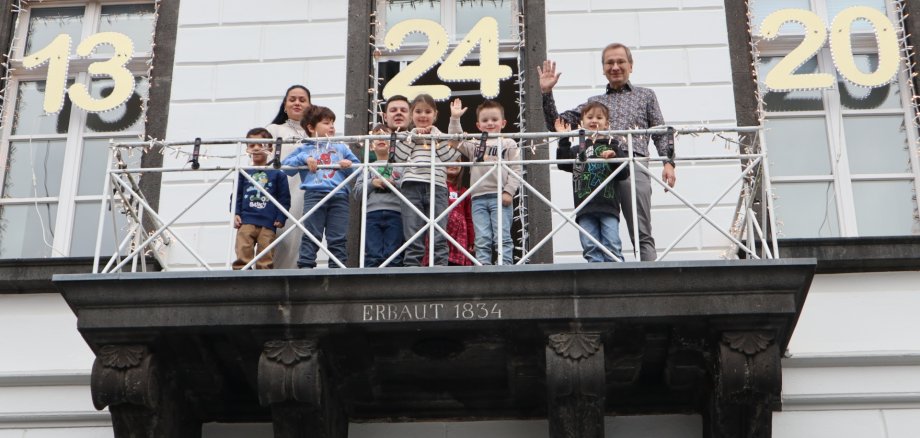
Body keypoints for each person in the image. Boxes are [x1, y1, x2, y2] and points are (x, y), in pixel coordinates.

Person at [539, 43, 676, 261]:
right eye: (609, 62)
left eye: (620, 61)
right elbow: (557, 124)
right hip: (597, 168)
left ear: (630, 65)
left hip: (633, 164)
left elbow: (659, 131)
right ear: (603, 68)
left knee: (641, 231)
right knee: (595, 231)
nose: (615, 66)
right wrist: (547, 92)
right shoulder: (596, 104)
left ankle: (651, 285)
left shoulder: (646, 95)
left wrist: (668, 162)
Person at [281, 106, 359, 268]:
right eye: (326, 123)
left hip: (339, 196)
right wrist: (304, 158)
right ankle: (306, 266)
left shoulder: (341, 147)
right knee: (311, 233)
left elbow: (358, 168)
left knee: (338, 236)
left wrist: (349, 164)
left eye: (332, 123)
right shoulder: (304, 148)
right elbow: (286, 169)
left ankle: (338, 268)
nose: (332, 127)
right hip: (314, 194)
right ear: (311, 127)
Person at [447, 98, 521, 265]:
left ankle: (505, 264)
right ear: (478, 125)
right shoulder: (474, 144)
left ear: (503, 123)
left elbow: (516, 170)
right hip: (478, 197)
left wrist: (509, 191)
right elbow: (455, 141)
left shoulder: (509, 143)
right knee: (483, 236)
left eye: (494, 120)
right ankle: (483, 265)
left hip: (500, 196)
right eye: (485, 120)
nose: (490, 123)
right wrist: (455, 118)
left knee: (502, 234)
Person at [554, 103, 628, 263]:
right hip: (585, 205)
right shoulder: (577, 149)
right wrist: (563, 138)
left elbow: (624, 174)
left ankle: (617, 276)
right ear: (581, 123)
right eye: (590, 117)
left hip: (608, 205)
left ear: (607, 124)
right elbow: (563, 163)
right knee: (590, 245)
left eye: (599, 117)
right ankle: (596, 276)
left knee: (612, 244)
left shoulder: (613, 145)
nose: (594, 120)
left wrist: (614, 158)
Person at [393, 93, 461, 266]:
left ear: (435, 115)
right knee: (413, 230)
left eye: (428, 111)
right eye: (418, 111)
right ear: (411, 115)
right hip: (411, 186)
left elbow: (450, 159)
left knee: (439, 231)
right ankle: (411, 268)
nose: (423, 115)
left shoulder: (440, 136)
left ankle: (440, 267)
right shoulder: (406, 136)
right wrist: (413, 136)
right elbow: (398, 158)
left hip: (437, 186)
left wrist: (435, 139)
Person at [232, 128, 291, 269]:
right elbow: (236, 195)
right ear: (247, 149)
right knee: (243, 247)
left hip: (268, 221)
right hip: (246, 220)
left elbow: (284, 198)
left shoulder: (278, 174)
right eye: (252, 145)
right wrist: (235, 213)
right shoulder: (243, 172)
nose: (257, 148)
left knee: (266, 251)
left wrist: (281, 217)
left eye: (261, 144)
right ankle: (241, 271)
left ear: (270, 148)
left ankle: (264, 275)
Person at [266, 85, 311, 268]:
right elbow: (264, 159)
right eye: (292, 99)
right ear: (285, 105)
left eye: (302, 100)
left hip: (307, 191)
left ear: (309, 106)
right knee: (278, 236)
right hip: (281, 190)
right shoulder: (274, 129)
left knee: (301, 238)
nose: (297, 103)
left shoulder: (315, 133)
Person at [354, 124, 404, 267]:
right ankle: (371, 284)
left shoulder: (401, 166)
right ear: (371, 145)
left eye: (385, 135)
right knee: (372, 254)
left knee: (394, 253)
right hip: (371, 214)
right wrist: (372, 182)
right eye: (377, 136)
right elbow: (357, 193)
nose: (381, 138)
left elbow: (409, 189)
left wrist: (394, 184)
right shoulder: (366, 167)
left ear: (394, 143)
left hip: (396, 213)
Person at [423, 163, 475, 266]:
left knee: (455, 267)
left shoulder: (464, 191)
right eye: (450, 160)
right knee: (436, 262)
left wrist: (471, 240)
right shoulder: (433, 188)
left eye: (457, 161)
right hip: (438, 231)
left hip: (459, 238)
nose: (454, 164)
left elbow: (469, 217)